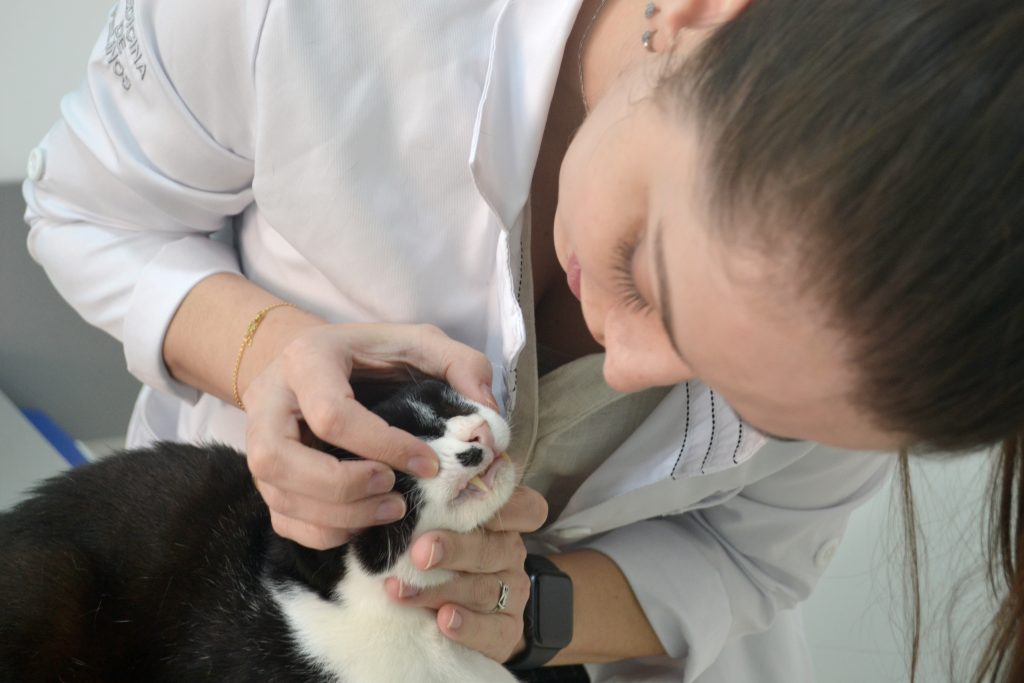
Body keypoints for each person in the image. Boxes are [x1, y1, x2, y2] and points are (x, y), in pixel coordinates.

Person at [22, 0, 1023, 680]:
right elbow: (90, 208)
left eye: (735, 395)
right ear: (693, 15)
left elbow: (747, 559)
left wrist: (529, 606)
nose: (624, 368)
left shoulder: (898, 332)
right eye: (643, 271)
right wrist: (263, 349)